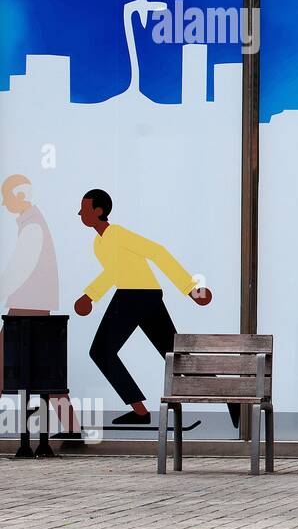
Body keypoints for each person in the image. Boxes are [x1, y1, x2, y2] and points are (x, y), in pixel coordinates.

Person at [75, 188, 223, 427]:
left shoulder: (117, 234)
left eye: (85, 208)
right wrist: (90, 296)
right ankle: (228, 397)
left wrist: (190, 289)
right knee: (174, 355)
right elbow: (113, 272)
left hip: (135, 297)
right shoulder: (99, 242)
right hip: (141, 295)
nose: (80, 213)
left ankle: (140, 411)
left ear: (99, 211)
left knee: (101, 351)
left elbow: (157, 252)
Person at [0, 175, 81, 445]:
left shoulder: (31, 226)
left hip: (26, 306)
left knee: (4, 364)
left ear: (19, 196)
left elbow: (18, 270)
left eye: (7, 196)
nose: (4, 201)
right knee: (45, 368)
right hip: (35, 305)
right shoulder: (33, 223)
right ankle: (71, 429)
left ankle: (71, 429)